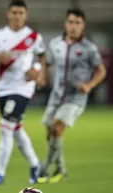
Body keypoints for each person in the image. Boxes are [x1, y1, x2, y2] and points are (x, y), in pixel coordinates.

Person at [0, 0, 46, 185]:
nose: (17, 16)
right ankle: (35, 165)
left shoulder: (33, 36)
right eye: (14, 12)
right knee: (16, 128)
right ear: (8, 14)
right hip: (3, 87)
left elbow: (42, 56)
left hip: (24, 87)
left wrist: (37, 69)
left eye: (21, 13)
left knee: (7, 124)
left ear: (26, 15)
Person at [37, 8, 106, 183]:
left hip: (75, 98)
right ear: (65, 24)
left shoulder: (89, 48)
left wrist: (90, 85)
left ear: (83, 26)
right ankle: (61, 169)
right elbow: (47, 62)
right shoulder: (55, 44)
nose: (73, 26)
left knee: (57, 127)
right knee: (50, 132)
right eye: (71, 22)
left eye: (77, 23)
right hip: (56, 96)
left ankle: (44, 170)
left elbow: (101, 70)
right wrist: (42, 76)